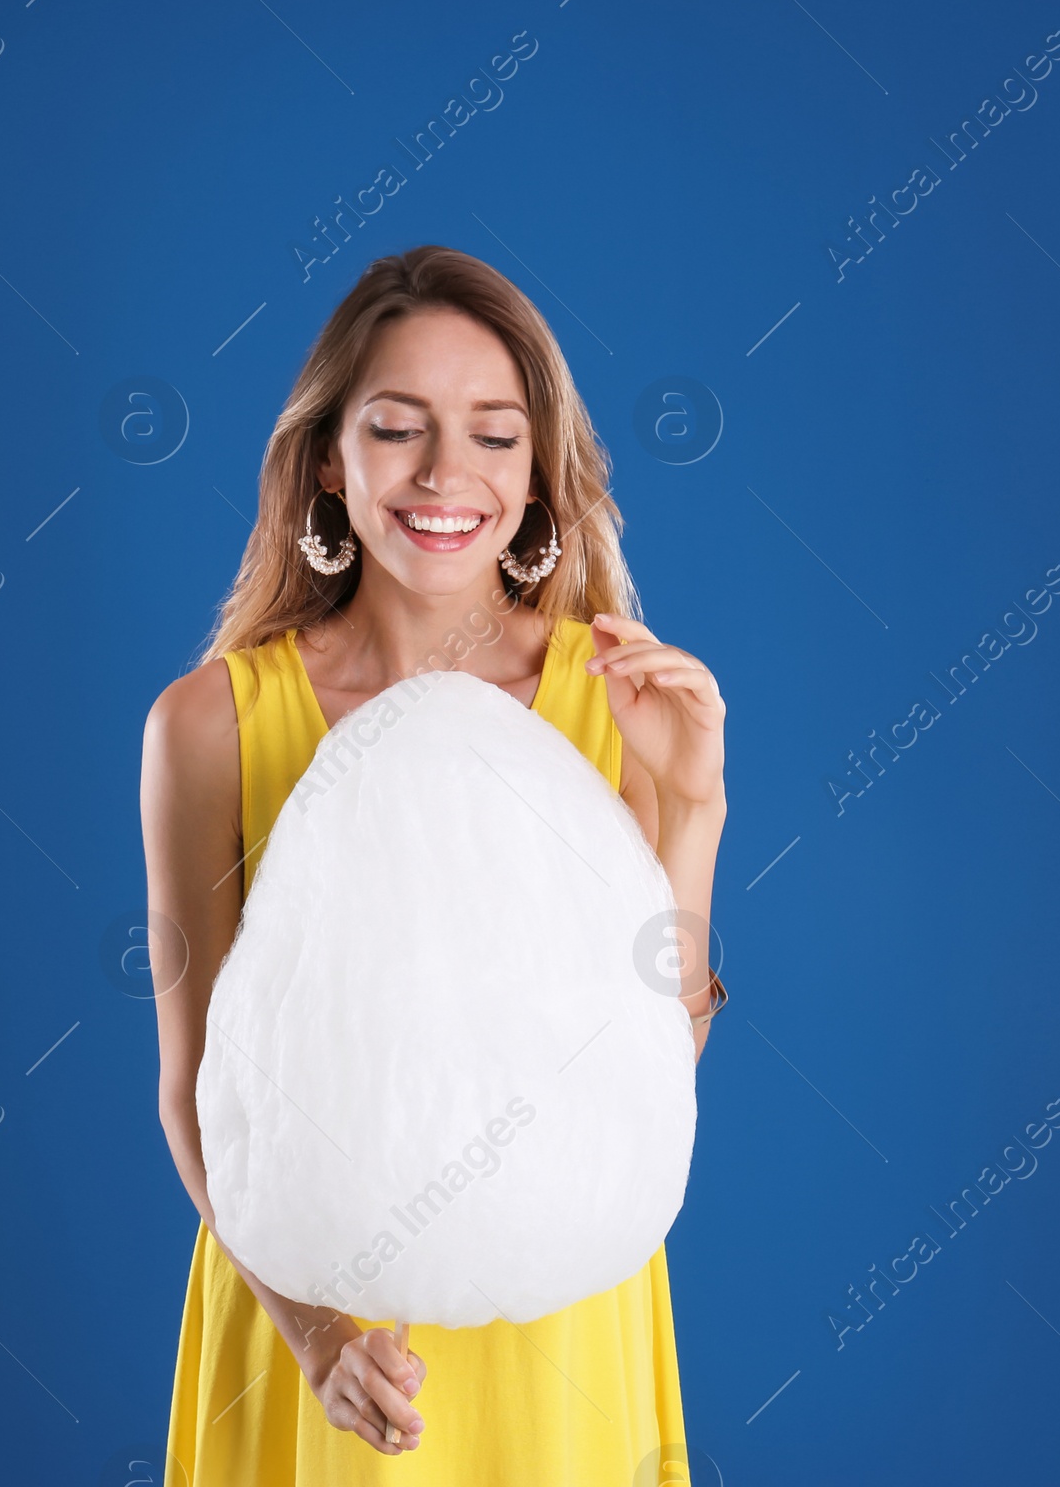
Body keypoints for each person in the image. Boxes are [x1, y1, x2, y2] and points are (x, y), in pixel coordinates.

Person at [139, 244, 727, 1483]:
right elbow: (194, 1088)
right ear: (327, 462)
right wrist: (316, 1337)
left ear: (537, 476)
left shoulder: (605, 694)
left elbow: (644, 1072)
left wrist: (692, 807)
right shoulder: (209, 724)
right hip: (319, 1338)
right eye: (398, 427)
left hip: (557, 1328)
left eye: (494, 436)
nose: (445, 473)